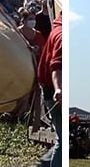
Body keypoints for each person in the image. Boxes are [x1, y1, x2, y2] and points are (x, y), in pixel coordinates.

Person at [37, 13, 62, 167]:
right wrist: (59, 89)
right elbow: (56, 67)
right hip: (55, 94)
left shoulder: (57, 30)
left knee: (61, 139)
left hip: (51, 91)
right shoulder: (61, 36)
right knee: (63, 141)